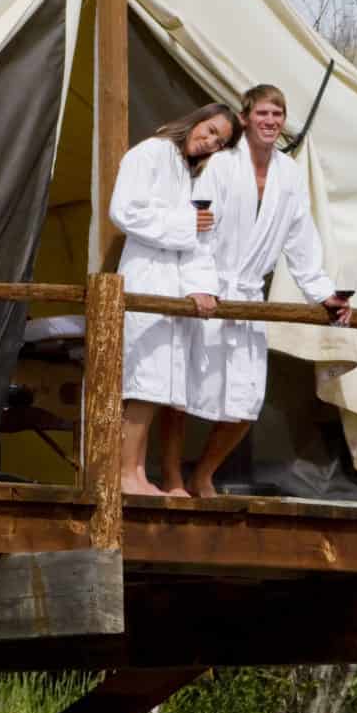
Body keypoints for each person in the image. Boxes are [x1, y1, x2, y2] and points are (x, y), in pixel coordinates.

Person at [184, 84, 351, 496]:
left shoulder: (289, 175)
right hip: (209, 288)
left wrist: (324, 292)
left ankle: (203, 472)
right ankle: (171, 476)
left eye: (277, 114)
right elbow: (199, 229)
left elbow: (300, 238)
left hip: (249, 297)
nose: (270, 121)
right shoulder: (221, 166)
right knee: (181, 388)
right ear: (245, 119)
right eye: (262, 113)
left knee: (247, 397)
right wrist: (201, 285)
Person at [111, 103, 241, 495]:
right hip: (146, 274)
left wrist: (198, 286)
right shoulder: (148, 153)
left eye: (221, 141)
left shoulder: (187, 172)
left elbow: (194, 239)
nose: (212, 141)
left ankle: (135, 472)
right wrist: (186, 222)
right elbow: (123, 211)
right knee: (141, 381)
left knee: (153, 385)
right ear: (197, 120)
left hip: (170, 281)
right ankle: (121, 474)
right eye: (211, 130)